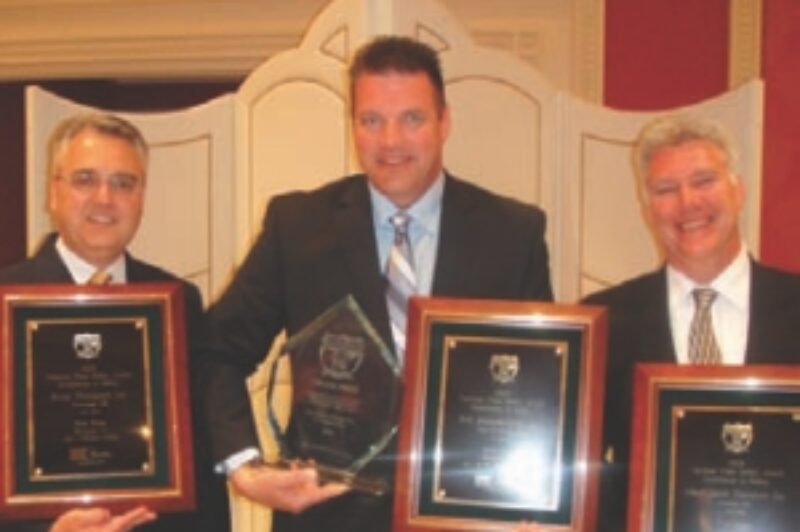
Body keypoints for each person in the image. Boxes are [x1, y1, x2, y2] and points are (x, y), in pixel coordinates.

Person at [204, 35, 554, 531]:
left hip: (468, 517)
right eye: (372, 120)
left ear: (444, 122)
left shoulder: (513, 234)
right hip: (325, 518)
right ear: (353, 125)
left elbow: (543, 387)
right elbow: (216, 350)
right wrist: (245, 466)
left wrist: (537, 503)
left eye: (412, 119)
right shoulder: (298, 226)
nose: (391, 141)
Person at [0, 113, 229, 532]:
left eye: (124, 183)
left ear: (142, 197)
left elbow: (201, 450)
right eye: (85, 179)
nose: (104, 198)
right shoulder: (6, 302)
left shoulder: (178, 302)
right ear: (54, 191)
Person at [584, 114, 800, 531]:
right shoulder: (606, 320)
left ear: (738, 190)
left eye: (704, 181)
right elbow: (587, 471)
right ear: (649, 208)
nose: (688, 203)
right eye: (666, 189)